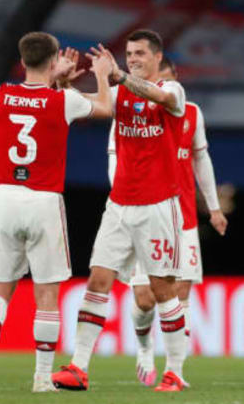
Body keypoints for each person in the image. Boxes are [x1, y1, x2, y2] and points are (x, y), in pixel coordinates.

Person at [52, 29, 189, 392]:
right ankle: (79, 367)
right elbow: (92, 106)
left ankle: (174, 371)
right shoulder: (120, 91)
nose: (133, 59)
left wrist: (119, 75)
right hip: (119, 205)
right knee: (98, 280)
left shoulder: (174, 92)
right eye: (129, 53)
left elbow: (158, 95)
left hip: (158, 205)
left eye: (141, 53)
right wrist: (60, 86)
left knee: (161, 289)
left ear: (158, 58)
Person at [0, 32, 113, 393]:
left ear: (22, 61)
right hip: (43, 200)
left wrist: (54, 76)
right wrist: (98, 73)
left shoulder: (1, 95)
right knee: (46, 295)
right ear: (54, 61)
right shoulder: (64, 100)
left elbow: (33, 96)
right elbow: (104, 108)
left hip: (5, 198)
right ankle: (40, 378)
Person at [114, 57, 227, 387]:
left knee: (181, 291)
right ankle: (145, 346)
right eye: (149, 85)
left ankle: (175, 370)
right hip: (142, 212)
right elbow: (113, 158)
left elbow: (201, 158)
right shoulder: (129, 111)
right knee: (146, 299)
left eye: (160, 84)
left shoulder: (191, 113)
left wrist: (215, 208)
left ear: (174, 80)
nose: (153, 91)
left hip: (183, 217)